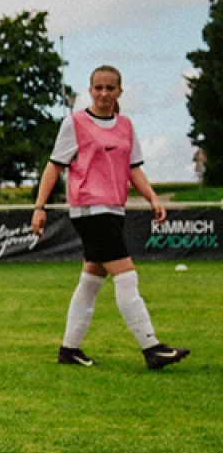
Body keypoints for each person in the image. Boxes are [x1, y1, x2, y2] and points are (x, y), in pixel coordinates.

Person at [30, 65, 188, 371]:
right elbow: (53, 167)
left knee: (91, 281)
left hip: (115, 210)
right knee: (127, 275)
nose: (103, 94)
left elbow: (133, 169)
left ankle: (69, 350)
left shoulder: (126, 126)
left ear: (119, 92)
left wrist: (152, 198)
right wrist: (40, 207)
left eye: (110, 88)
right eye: (98, 88)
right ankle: (152, 348)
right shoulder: (74, 124)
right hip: (90, 210)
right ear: (89, 91)